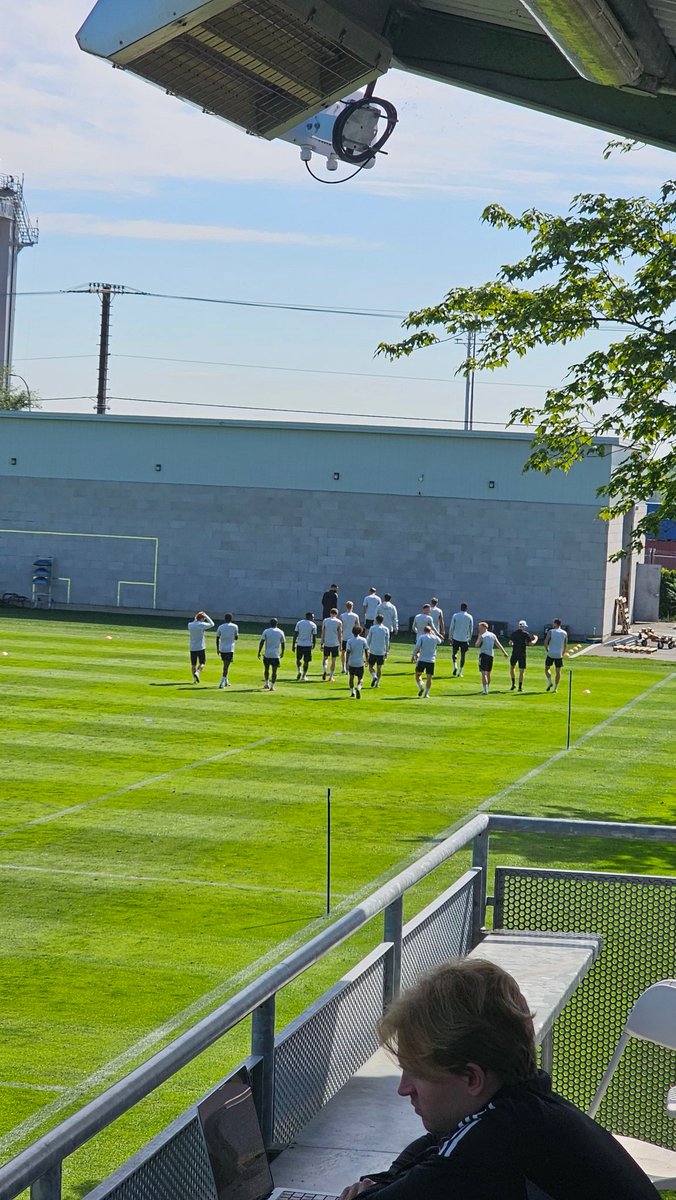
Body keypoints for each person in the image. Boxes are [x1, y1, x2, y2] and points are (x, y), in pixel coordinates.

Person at [337, 958, 659, 1200]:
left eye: (417, 1073)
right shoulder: (526, 1110)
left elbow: (441, 1166)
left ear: (472, 1078)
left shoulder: (498, 1136)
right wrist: (386, 1182)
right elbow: (430, 1150)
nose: (403, 1089)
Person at [475, 621, 508, 694]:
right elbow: (498, 644)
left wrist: (478, 637)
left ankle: (485, 690)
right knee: (488, 673)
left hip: (483, 655)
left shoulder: (482, 636)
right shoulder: (493, 635)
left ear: (484, 627)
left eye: (480, 627)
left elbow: (477, 645)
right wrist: (504, 652)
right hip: (491, 656)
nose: (479, 629)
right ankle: (487, 688)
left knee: (484, 673)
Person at [411, 623, 442, 698]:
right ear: (431, 630)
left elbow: (417, 646)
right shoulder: (434, 638)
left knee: (417, 675)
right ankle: (426, 694)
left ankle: (421, 686)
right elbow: (440, 641)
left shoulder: (422, 637)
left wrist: (413, 655)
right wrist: (434, 634)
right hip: (431, 660)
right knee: (429, 678)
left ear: (424, 631)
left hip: (422, 659)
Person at [508, 620, 538, 692]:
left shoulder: (514, 633)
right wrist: (536, 638)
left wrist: (514, 645)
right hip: (522, 654)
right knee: (521, 670)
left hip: (514, 653)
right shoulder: (525, 634)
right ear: (524, 626)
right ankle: (520, 687)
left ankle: (513, 684)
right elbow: (531, 644)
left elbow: (510, 643)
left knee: (512, 668)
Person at [257, 618, 285, 691]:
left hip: (267, 654)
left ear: (270, 623)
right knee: (274, 671)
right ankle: (272, 686)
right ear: (277, 624)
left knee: (266, 669)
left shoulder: (266, 631)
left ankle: (266, 683)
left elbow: (262, 642)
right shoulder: (280, 632)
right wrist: (282, 652)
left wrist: (259, 652)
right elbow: (283, 643)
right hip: (275, 655)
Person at [187, 610, 214, 683]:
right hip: (201, 647)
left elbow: (194, 621)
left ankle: (195, 679)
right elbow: (212, 624)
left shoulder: (190, 625)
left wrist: (197, 617)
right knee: (202, 663)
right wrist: (206, 616)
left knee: (193, 664)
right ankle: (198, 672)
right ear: (202, 618)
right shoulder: (202, 625)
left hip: (192, 647)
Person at [448, 603, 473, 677]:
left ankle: (455, 666)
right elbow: (470, 629)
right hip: (464, 639)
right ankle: (460, 671)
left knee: (454, 653)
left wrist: (450, 637)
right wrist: (469, 638)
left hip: (456, 637)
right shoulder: (469, 617)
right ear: (466, 608)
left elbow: (452, 627)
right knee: (463, 655)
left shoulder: (455, 615)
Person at [544, 618, 569, 692]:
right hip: (559, 654)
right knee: (558, 671)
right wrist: (563, 653)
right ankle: (555, 688)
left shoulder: (551, 631)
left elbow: (545, 641)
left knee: (547, 668)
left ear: (555, 623)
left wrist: (547, 649)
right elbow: (565, 645)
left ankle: (549, 681)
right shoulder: (564, 633)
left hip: (551, 653)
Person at [215, 612, 239, 689]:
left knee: (226, 665)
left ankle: (226, 681)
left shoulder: (220, 627)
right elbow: (236, 637)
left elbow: (217, 638)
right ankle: (221, 682)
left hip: (222, 648)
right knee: (226, 666)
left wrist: (218, 649)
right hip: (230, 649)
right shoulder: (235, 626)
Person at [366, 613, 390, 688]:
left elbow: (368, 639)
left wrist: (367, 648)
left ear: (376, 620)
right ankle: (377, 683)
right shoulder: (386, 629)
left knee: (370, 667)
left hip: (373, 650)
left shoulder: (372, 628)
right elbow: (387, 641)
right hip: (381, 651)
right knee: (379, 667)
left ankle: (374, 676)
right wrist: (386, 651)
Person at [345, 623, 368, 699]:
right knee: (360, 678)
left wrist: (346, 662)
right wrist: (367, 660)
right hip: (360, 662)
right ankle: (358, 688)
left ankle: (352, 692)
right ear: (360, 632)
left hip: (352, 662)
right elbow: (366, 651)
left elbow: (348, 652)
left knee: (351, 678)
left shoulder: (349, 641)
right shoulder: (363, 640)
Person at [293, 611, 317, 681]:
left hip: (299, 644)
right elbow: (314, 636)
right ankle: (304, 675)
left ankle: (299, 670)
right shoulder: (313, 625)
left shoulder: (299, 623)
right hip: (308, 645)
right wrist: (314, 644)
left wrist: (293, 644)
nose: (313, 618)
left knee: (298, 659)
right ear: (309, 617)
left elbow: (295, 634)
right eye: (312, 617)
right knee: (306, 661)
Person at [321, 608, 343, 682]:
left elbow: (323, 632)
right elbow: (340, 634)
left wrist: (322, 642)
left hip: (327, 642)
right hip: (335, 643)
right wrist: (341, 644)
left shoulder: (326, 620)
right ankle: (330, 676)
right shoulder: (339, 622)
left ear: (330, 613)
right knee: (333, 660)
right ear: (336, 614)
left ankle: (324, 670)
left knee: (325, 658)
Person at [341, 601, 359, 674]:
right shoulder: (355, 616)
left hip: (344, 636)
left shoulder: (342, 615)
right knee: (351, 653)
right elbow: (358, 627)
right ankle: (348, 667)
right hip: (352, 637)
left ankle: (343, 667)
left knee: (343, 652)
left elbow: (340, 627)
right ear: (352, 607)